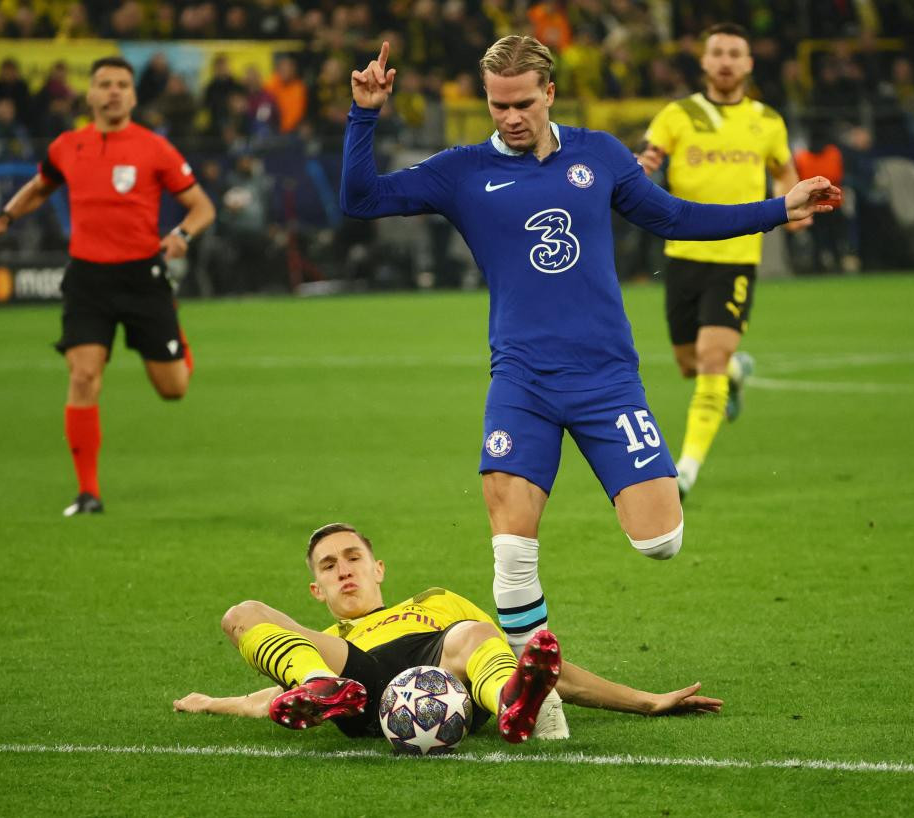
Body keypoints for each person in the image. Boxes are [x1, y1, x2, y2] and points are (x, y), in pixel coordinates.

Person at [340, 36, 836, 736]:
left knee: (658, 541)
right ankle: (537, 704)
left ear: (548, 94)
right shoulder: (462, 171)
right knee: (512, 548)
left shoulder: (598, 155)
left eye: (521, 103)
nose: (509, 117)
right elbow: (360, 199)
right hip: (521, 379)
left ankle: (551, 657)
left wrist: (776, 209)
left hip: (607, 378)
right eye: (496, 104)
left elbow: (673, 217)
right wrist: (364, 116)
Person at [173, 523, 723, 745]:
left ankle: (511, 703)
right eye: (327, 565)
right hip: (356, 681)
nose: (343, 569)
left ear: (378, 567)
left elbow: (543, 665)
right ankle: (321, 688)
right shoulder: (317, 640)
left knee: (476, 631)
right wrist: (211, 703)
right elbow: (264, 697)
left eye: (353, 557)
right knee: (242, 611)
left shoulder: (432, 603)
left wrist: (645, 701)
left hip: (444, 667)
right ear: (316, 588)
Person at [0, 56, 215, 516]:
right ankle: (88, 494)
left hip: (143, 277)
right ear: (89, 94)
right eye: (104, 84)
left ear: (133, 94)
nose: (113, 92)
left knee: (173, 389)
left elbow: (201, 206)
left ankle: (176, 334)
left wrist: (182, 234)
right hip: (87, 278)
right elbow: (41, 186)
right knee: (83, 377)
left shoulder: (155, 148)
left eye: (122, 84)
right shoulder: (69, 146)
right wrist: (6, 216)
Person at [638, 23, 812, 501]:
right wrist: (638, 170)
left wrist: (792, 205)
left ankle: (685, 470)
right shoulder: (679, 113)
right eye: (718, 52)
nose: (726, 61)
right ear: (704, 61)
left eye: (736, 53)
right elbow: (650, 158)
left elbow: (784, 171)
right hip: (683, 253)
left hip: (736, 256)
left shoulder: (767, 121)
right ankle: (736, 375)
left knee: (712, 356)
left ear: (749, 63)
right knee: (690, 364)